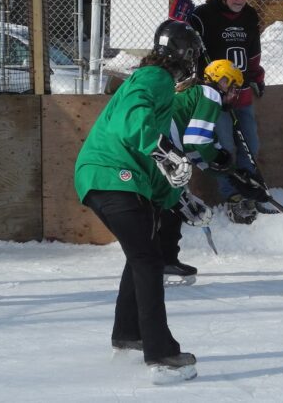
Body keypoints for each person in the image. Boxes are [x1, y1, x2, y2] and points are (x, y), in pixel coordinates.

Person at [74, 20, 200, 381]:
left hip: (109, 177)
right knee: (147, 260)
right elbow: (134, 123)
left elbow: (152, 162)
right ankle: (160, 353)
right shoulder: (155, 77)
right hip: (112, 174)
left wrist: (178, 198)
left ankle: (128, 336)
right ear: (184, 54)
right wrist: (164, 150)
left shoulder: (156, 86)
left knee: (141, 254)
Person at [188, 0, 275, 224]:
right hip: (215, 95)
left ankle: (248, 192)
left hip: (241, 93)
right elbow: (190, 49)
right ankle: (232, 196)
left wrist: (256, 76)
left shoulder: (249, 16)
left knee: (251, 146)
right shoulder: (203, 15)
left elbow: (253, 53)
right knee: (225, 147)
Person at [158, 59, 245, 286]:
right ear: (222, 81)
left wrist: (225, 172)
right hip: (165, 150)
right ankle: (164, 260)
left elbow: (193, 148)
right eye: (233, 87)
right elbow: (197, 140)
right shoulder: (210, 94)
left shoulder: (196, 94)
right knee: (173, 204)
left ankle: (160, 259)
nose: (234, 94)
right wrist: (219, 158)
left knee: (167, 204)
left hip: (161, 149)